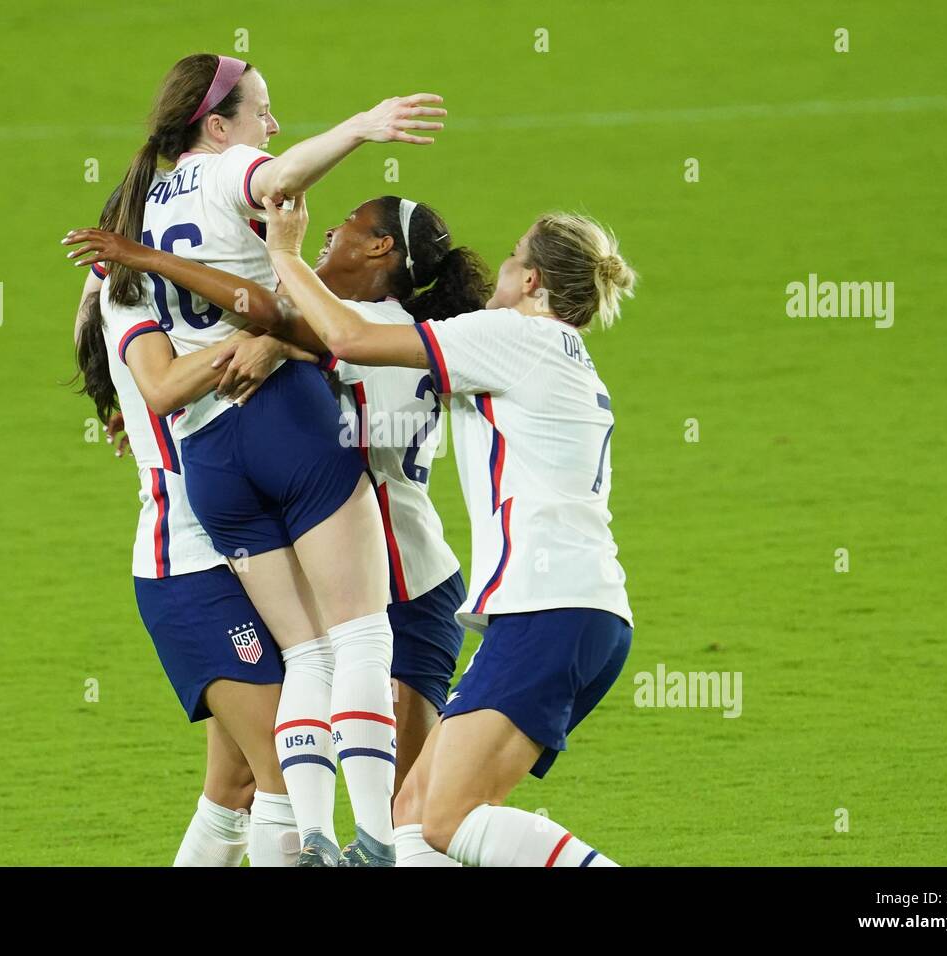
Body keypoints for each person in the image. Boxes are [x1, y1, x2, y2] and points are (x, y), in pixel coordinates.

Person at [76, 52, 447, 865]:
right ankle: (371, 839)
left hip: (212, 472)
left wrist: (230, 317)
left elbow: (163, 384)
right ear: (217, 124)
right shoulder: (222, 182)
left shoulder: (128, 265)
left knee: (244, 771)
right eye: (261, 111)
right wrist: (362, 126)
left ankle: (318, 834)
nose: (271, 125)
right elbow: (280, 183)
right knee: (352, 645)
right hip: (233, 493)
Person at [245, 192, 638, 867]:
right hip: (574, 612)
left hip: (548, 608)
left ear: (532, 282)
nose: (501, 270)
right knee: (410, 819)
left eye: (513, 259)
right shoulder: (561, 354)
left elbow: (349, 338)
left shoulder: (517, 336)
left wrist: (282, 251)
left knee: (445, 819)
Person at [71, 249, 312, 865]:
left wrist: (277, 338)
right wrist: (272, 333)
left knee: (234, 788)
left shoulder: (188, 289)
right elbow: (157, 385)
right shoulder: (130, 291)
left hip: (242, 556)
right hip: (190, 566)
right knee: (284, 768)